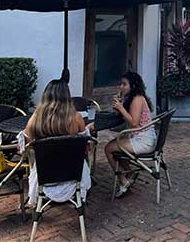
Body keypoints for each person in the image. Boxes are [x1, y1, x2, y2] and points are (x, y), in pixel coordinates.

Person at [23, 79, 91, 207]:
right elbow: (85, 147)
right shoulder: (76, 118)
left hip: (44, 176)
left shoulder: (36, 118)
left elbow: (25, 144)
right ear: (67, 96)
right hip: (73, 175)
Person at [105, 71, 156, 198]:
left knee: (108, 149)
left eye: (124, 84)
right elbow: (124, 117)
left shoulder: (137, 99)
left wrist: (121, 108)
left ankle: (123, 180)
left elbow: (134, 122)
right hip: (139, 136)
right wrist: (119, 106)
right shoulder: (132, 98)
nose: (121, 87)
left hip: (144, 140)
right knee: (117, 144)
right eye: (121, 84)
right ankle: (130, 173)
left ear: (132, 86)